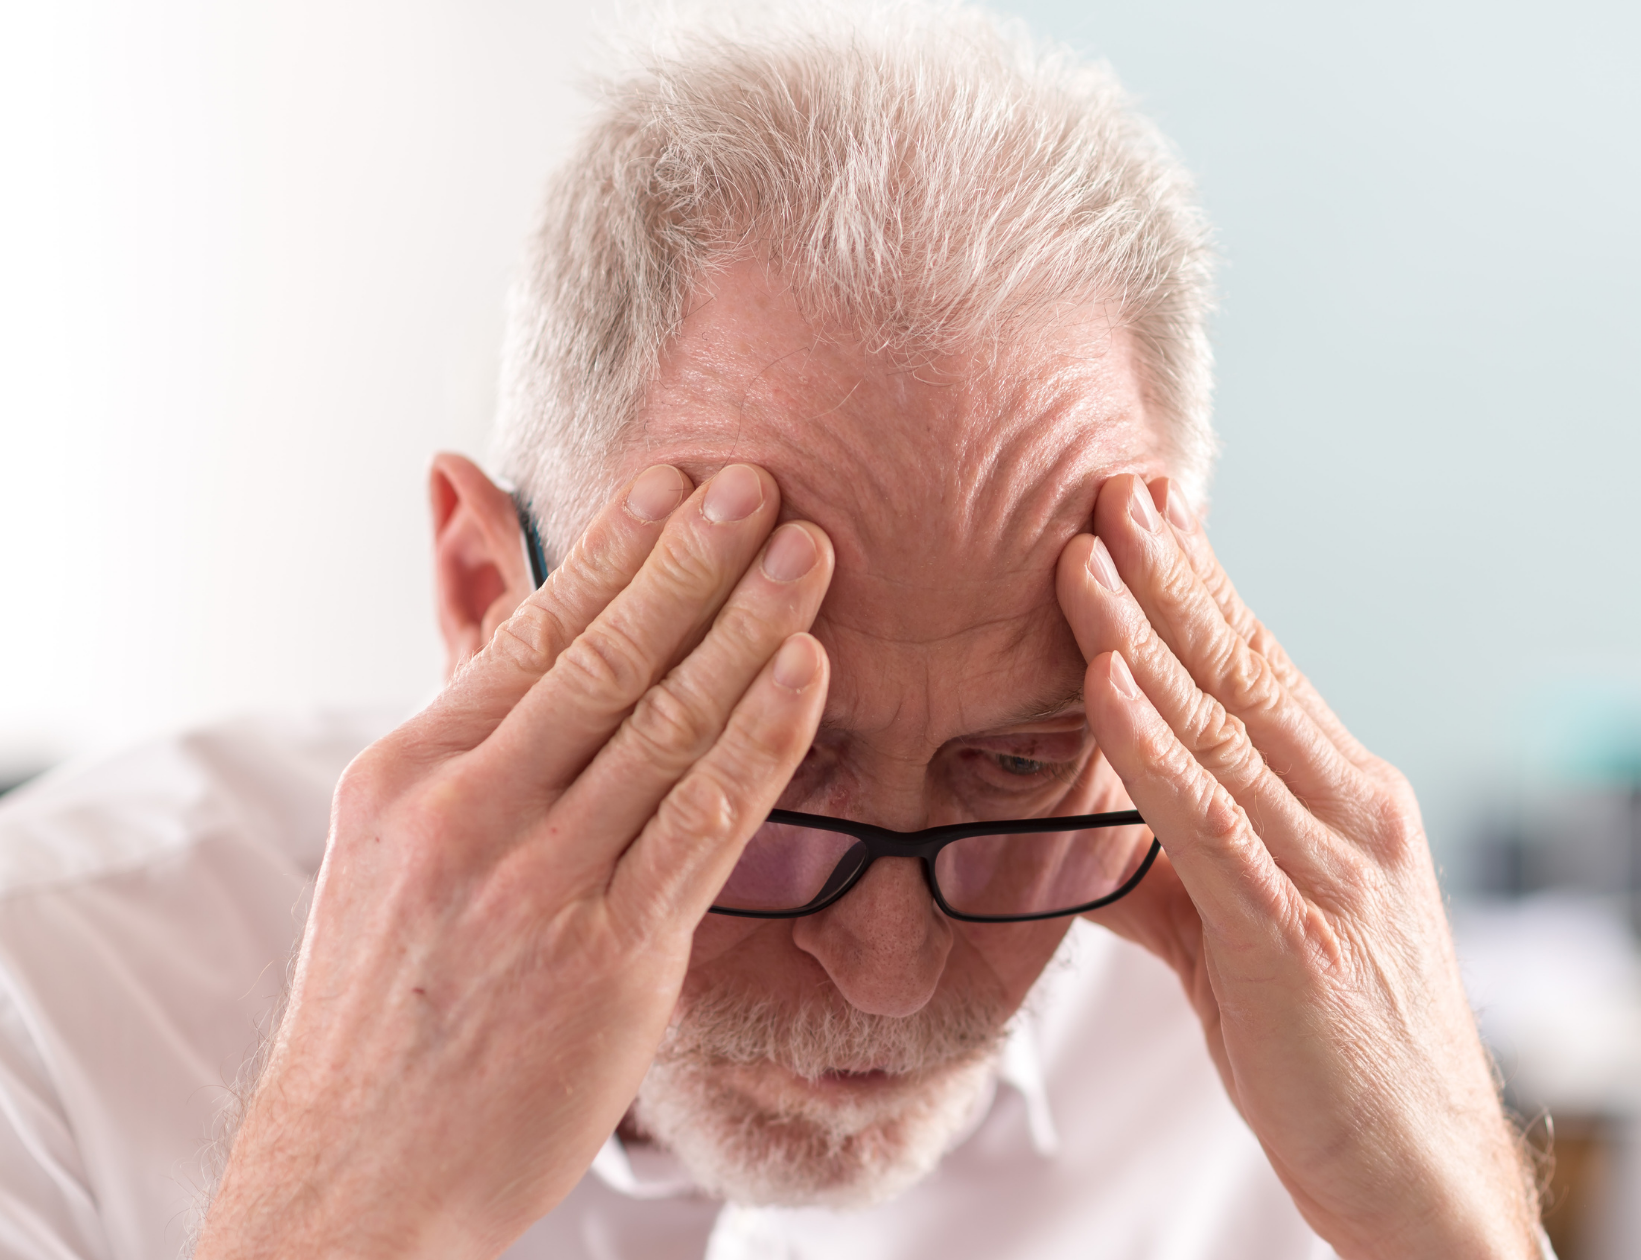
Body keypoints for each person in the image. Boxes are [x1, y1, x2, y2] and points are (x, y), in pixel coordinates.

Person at [0, 7, 1544, 1258]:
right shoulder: (50, 1011)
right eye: (765, 776)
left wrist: (1448, 1224)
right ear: (487, 596)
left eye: (1014, 764)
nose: (885, 976)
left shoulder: (1272, 1047)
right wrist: (351, 1219)